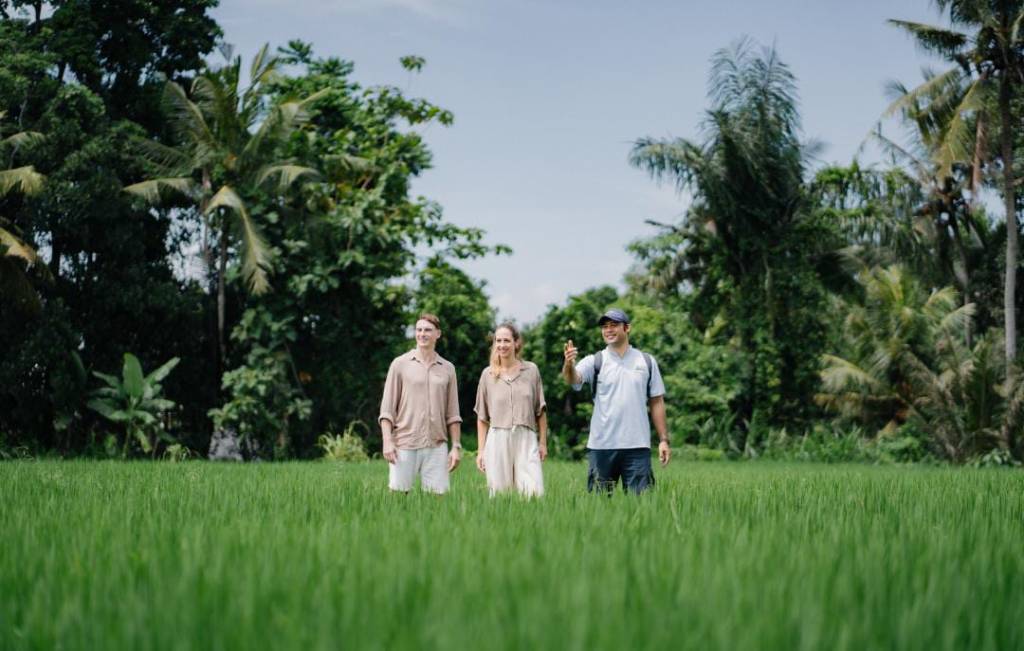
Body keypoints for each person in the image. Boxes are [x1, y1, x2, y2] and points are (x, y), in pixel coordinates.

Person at [562, 308, 670, 494]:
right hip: (601, 446)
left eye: (614, 325)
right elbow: (573, 379)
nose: (608, 330)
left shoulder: (646, 361)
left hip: (637, 446)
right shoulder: (595, 360)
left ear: (627, 328)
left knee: (642, 505)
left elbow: (657, 402)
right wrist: (568, 364)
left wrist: (663, 440)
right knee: (599, 506)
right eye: (605, 326)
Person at [379, 313, 462, 494]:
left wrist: (456, 446)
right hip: (404, 444)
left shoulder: (448, 368)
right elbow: (387, 410)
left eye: (427, 330)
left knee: (438, 503)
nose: (422, 334)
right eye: (419, 330)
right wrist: (387, 441)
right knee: (397, 499)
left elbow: (453, 413)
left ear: (438, 334)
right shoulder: (400, 364)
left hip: (437, 446)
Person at [474, 323, 547, 497]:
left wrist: (543, 443)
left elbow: (541, 411)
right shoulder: (488, 374)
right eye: (498, 341)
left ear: (516, 343)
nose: (502, 345)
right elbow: (482, 418)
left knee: (534, 492)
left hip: (526, 437)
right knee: (499, 495)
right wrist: (481, 451)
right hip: (498, 436)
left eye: (506, 340)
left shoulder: (531, 370)